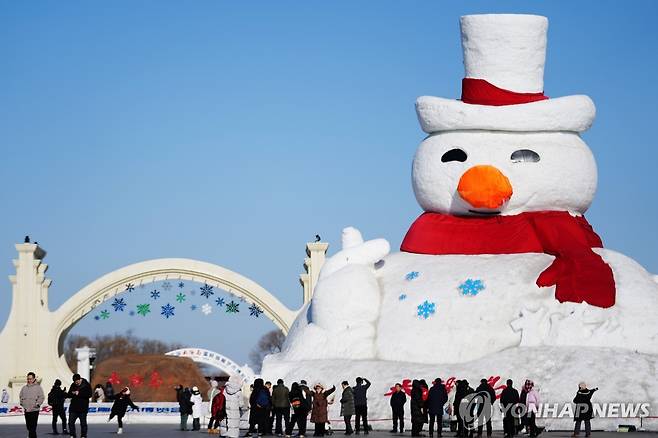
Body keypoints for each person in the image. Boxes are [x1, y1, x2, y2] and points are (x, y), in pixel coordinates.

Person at [19, 371, 45, 438]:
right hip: (27, 410)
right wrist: (22, 403)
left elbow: (42, 397)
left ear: (34, 379)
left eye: (30, 379)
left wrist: (38, 404)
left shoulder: (38, 387)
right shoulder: (24, 388)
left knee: (33, 428)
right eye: (28, 379)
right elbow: (20, 396)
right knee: (29, 427)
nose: (29, 380)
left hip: (34, 410)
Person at [67, 373, 92, 438]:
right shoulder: (73, 385)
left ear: (80, 379)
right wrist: (73, 393)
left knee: (83, 424)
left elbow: (89, 394)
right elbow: (69, 394)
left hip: (83, 408)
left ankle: (83, 435)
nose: (76, 383)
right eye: (75, 382)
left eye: (77, 381)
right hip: (73, 408)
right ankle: (72, 435)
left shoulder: (86, 385)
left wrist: (79, 393)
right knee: (70, 422)